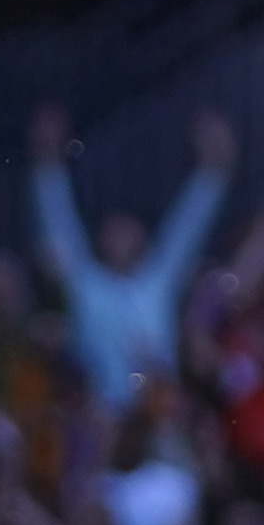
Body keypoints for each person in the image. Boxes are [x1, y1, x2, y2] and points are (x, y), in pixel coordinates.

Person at [28, 104, 233, 409]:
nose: (120, 235)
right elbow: (58, 222)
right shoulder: (85, 284)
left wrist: (213, 170)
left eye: (128, 229)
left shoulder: (157, 280)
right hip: (103, 419)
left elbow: (188, 227)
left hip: (157, 413)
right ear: (99, 240)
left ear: (143, 240)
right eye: (112, 229)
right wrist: (47, 164)